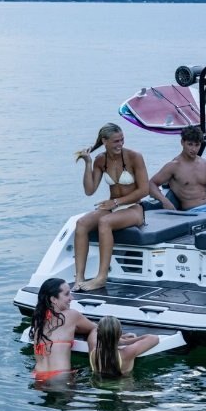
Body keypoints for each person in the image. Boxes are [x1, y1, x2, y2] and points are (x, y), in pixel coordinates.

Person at [73, 123, 150, 291]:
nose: (120, 144)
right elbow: (89, 190)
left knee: (105, 222)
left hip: (134, 208)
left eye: (122, 140)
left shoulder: (134, 157)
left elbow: (144, 190)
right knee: (81, 224)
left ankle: (101, 277)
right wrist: (88, 163)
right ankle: (79, 277)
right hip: (113, 206)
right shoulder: (101, 160)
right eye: (116, 141)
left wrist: (116, 202)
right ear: (104, 141)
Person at [148, 126, 206, 227]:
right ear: (182, 142)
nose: (194, 149)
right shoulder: (173, 166)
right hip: (194, 213)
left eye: (197, 145)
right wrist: (165, 201)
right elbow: (151, 184)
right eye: (190, 144)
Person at [30, 278, 97, 381]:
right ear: (53, 299)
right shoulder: (71, 315)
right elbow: (96, 328)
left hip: (37, 376)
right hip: (60, 376)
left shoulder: (38, 321)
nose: (72, 298)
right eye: (67, 294)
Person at [87, 316, 160, 377]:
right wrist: (126, 341)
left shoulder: (93, 350)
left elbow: (94, 330)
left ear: (99, 334)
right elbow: (154, 338)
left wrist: (116, 338)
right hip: (122, 388)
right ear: (120, 333)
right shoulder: (127, 353)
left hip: (98, 385)